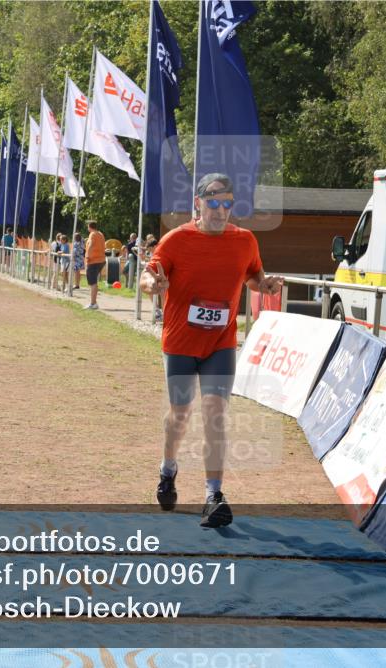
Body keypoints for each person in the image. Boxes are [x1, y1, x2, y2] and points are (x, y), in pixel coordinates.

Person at [140, 173, 283, 528]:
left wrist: (263, 284)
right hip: (180, 343)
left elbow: (253, 275)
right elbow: (148, 276)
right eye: (214, 203)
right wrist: (152, 286)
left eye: (227, 204)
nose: (221, 211)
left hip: (220, 342)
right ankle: (168, 469)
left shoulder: (245, 241)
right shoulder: (176, 240)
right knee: (180, 415)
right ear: (197, 204)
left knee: (216, 413)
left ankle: (213, 494)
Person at [84, 221, 106, 310]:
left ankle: (93, 303)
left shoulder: (92, 234)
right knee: (94, 282)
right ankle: (94, 302)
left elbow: (91, 244)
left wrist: (88, 255)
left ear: (90, 227)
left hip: (93, 260)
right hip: (101, 260)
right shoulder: (100, 234)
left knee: (92, 283)